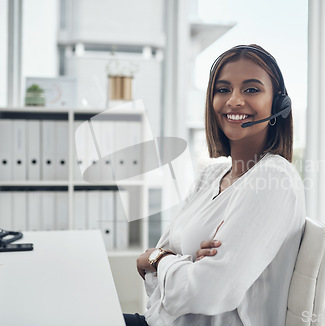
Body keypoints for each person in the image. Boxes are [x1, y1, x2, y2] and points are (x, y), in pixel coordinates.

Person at [125, 44, 306, 326]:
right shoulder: (210, 176)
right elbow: (159, 283)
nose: (234, 101)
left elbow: (205, 291)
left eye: (251, 89)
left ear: (279, 104)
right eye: (223, 89)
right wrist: (181, 264)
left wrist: (160, 259)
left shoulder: (274, 180)